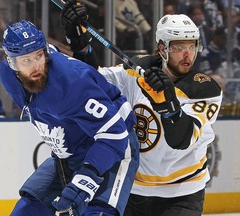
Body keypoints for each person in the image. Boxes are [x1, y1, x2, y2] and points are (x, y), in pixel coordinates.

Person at [61, 2, 223, 215]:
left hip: (183, 191)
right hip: (133, 189)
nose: (187, 55)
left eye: (191, 46)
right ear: (162, 48)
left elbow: (182, 140)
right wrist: (80, 45)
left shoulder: (205, 89)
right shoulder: (136, 72)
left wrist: (167, 101)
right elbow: (91, 83)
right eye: (179, 47)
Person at [0, 20, 139, 216]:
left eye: (38, 56)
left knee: (95, 212)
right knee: (27, 210)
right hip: (68, 152)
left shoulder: (72, 83)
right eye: (26, 61)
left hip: (111, 148)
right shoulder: (7, 74)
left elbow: (114, 134)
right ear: (11, 62)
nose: (36, 67)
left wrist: (85, 179)